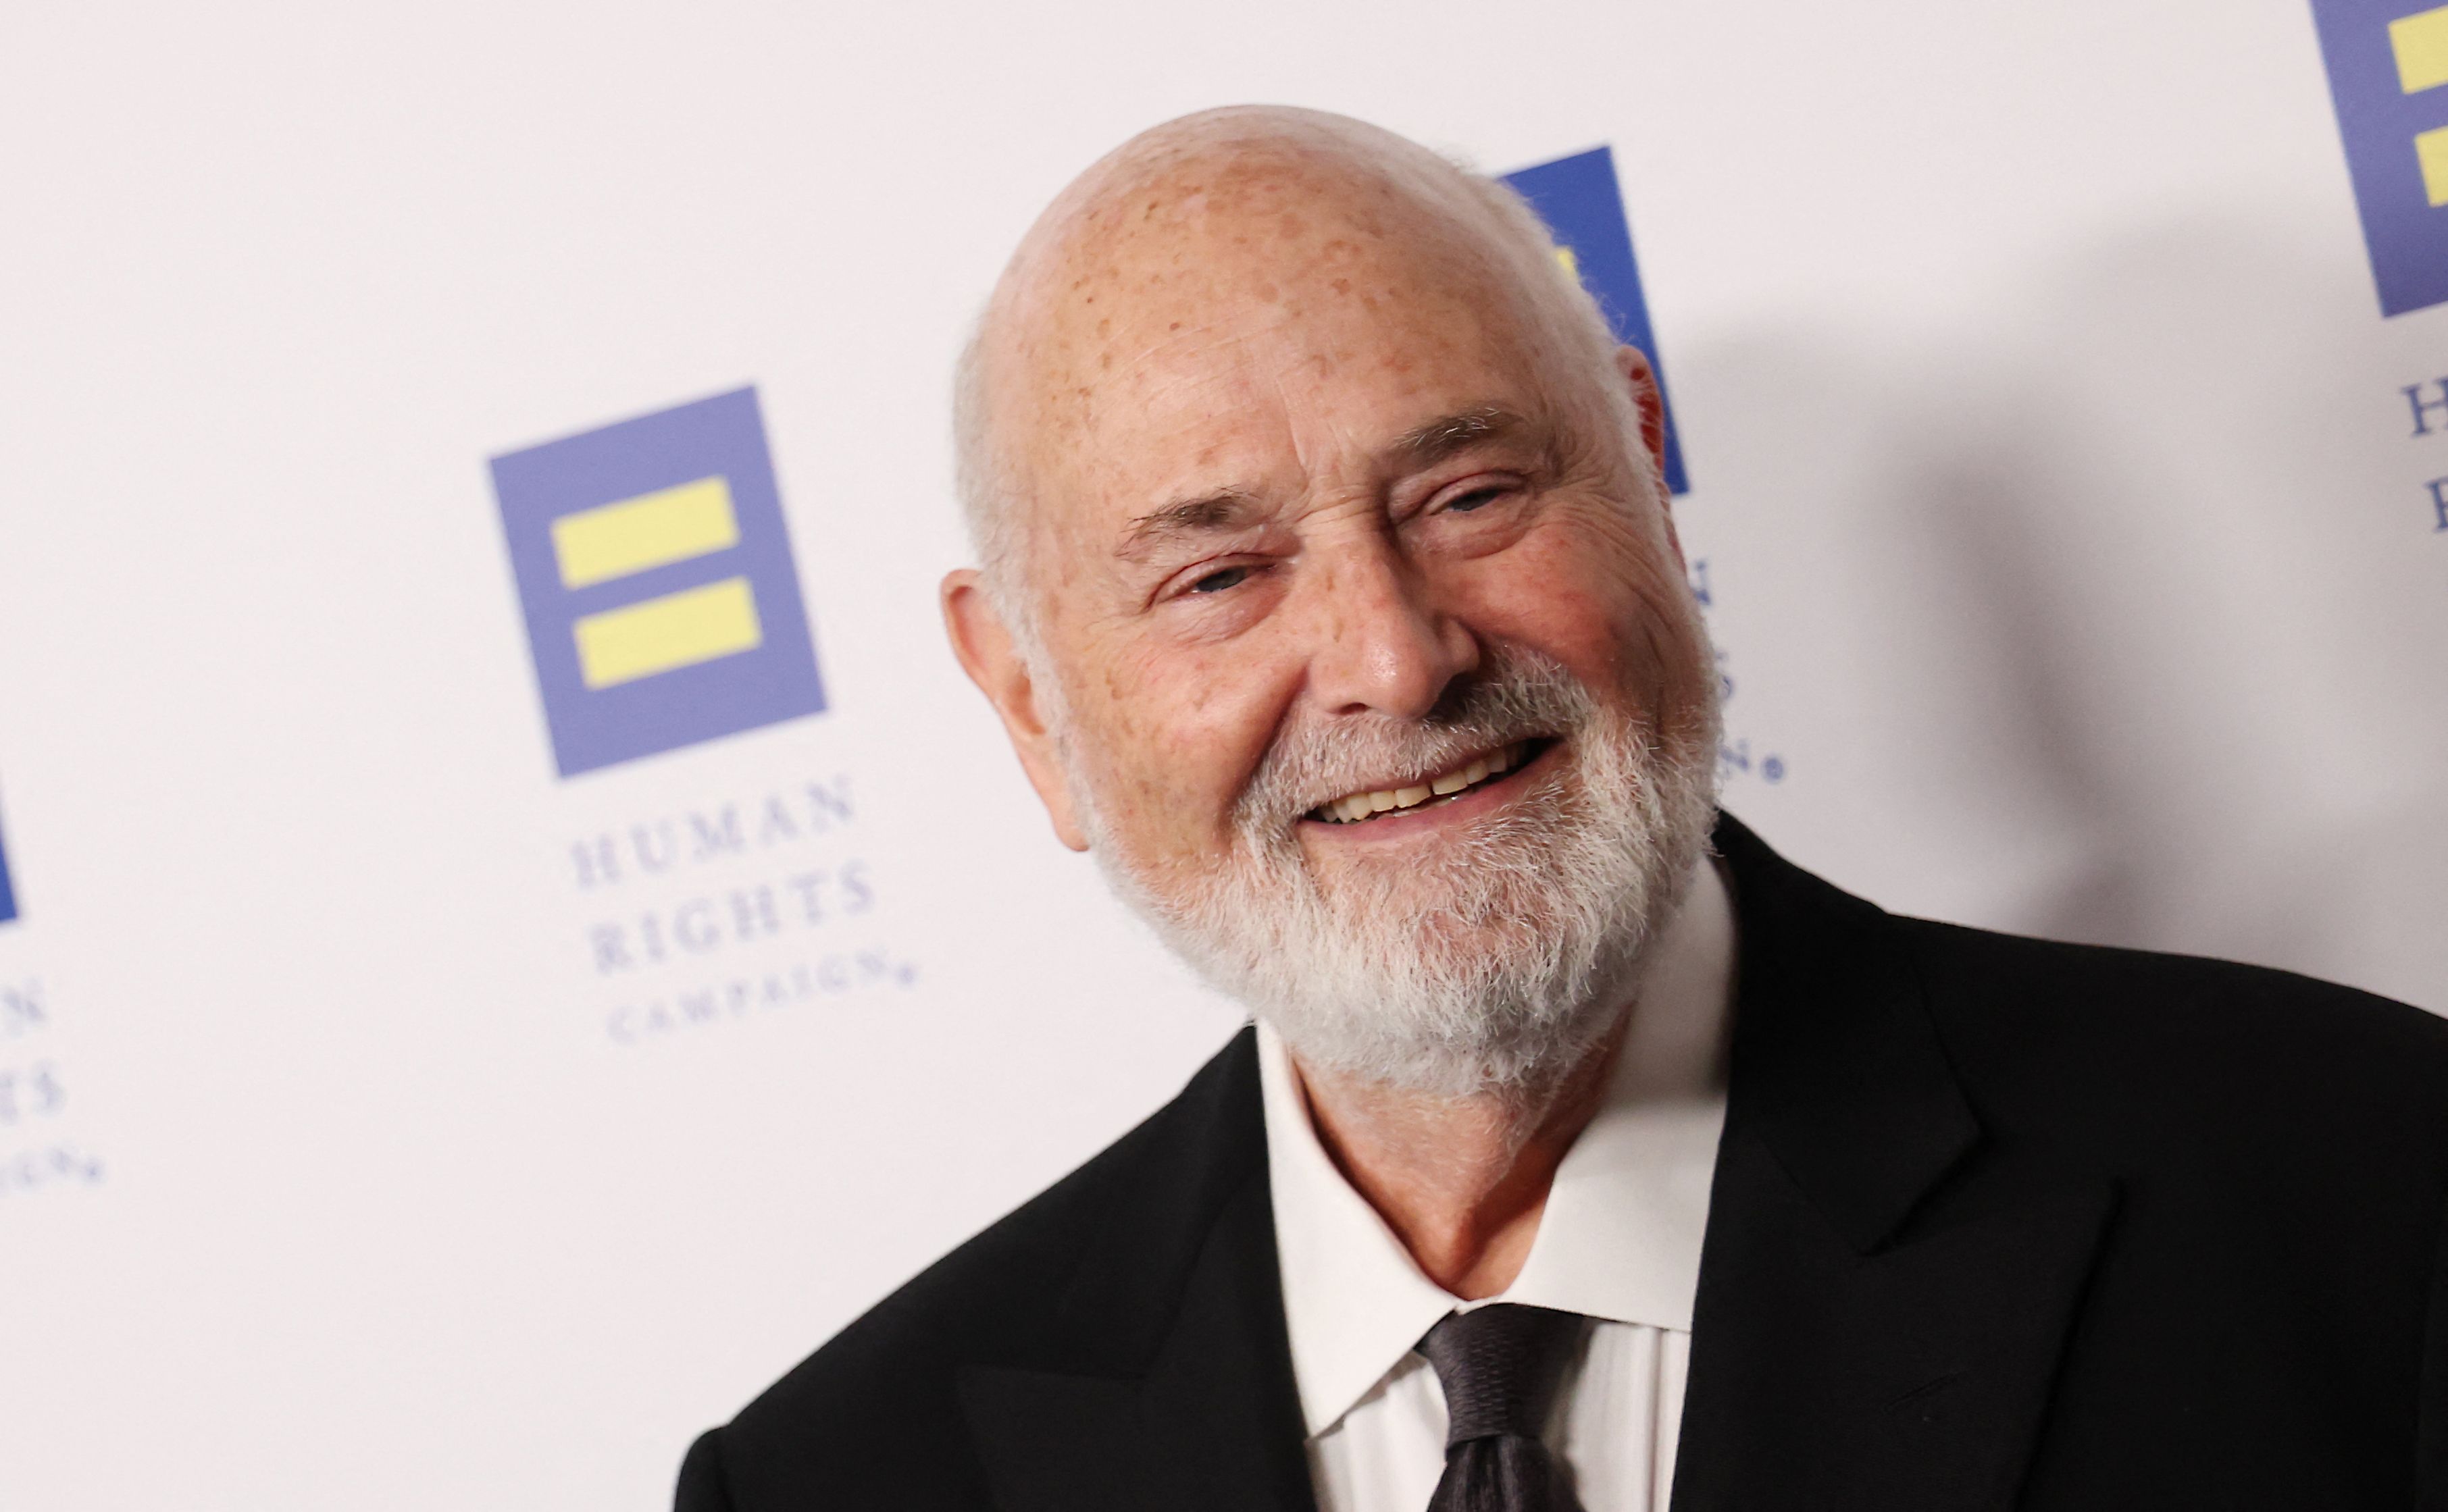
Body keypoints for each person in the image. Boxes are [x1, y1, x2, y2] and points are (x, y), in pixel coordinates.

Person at [674, 106, 2448, 1511]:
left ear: (1642, 481)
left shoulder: (2365, 1192)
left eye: (1468, 493)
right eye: (1220, 576)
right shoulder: (837, 1481)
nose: (1394, 658)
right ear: (1026, 704)